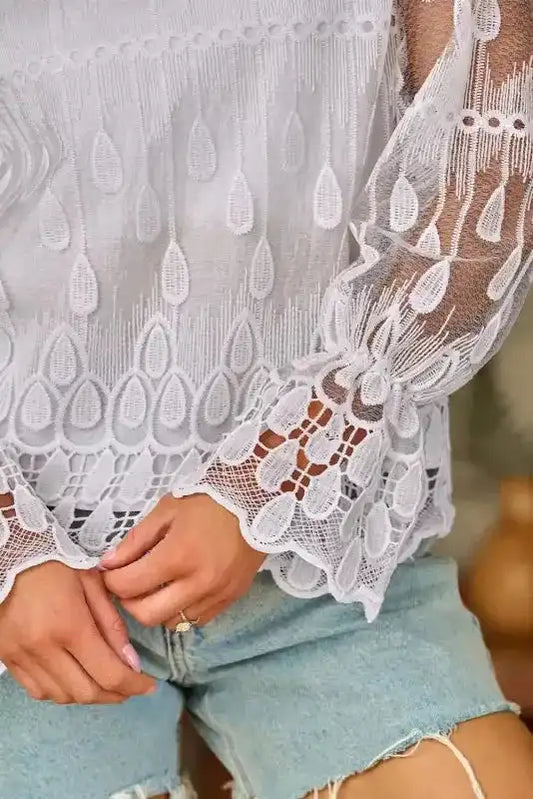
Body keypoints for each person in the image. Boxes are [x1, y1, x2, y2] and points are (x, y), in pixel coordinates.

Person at [0, 1, 532, 797]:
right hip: (33, 595)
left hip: (330, 563)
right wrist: (10, 548)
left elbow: (478, 200)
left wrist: (278, 479)